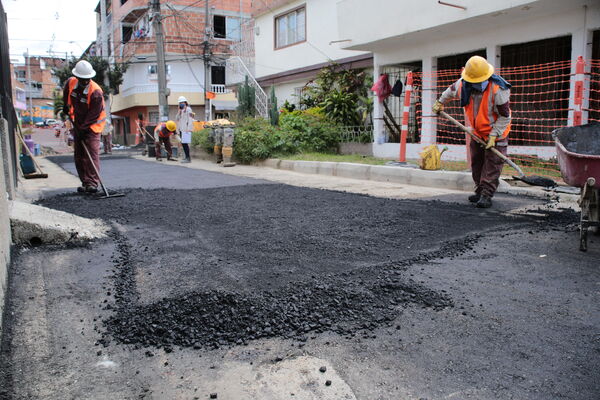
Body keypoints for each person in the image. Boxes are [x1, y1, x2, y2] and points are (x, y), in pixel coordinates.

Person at [432, 55, 511, 208]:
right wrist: (439, 102)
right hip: (477, 132)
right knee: (477, 162)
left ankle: (487, 195)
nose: (474, 84)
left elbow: (505, 116)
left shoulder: (498, 89)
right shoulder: (463, 85)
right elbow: (450, 91)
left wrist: (494, 135)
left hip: (497, 132)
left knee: (492, 164)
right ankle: (479, 191)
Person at [62, 60, 106, 194]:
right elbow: (66, 93)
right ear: (77, 77)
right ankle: (85, 182)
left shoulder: (96, 92)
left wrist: (83, 129)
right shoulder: (71, 82)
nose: (85, 81)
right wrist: (65, 105)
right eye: (82, 79)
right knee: (79, 155)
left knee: (91, 153)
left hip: (93, 125)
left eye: (88, 79)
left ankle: (92, 183)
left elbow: (94, 114)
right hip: (78, 122)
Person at [175, 96, 195, 163]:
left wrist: (189, 128)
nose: (181, 103)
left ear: (185, 102)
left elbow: (190, 119)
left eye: (182, 102)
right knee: (183, 144)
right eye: (180, 103)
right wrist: (179, 111)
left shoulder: (188, 109)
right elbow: (177, 118)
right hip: (181, 129)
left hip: (186, 129)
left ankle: (188, 158)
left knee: (185, 144)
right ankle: (186, 157)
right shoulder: (181, 110)